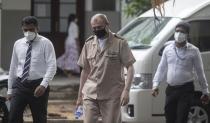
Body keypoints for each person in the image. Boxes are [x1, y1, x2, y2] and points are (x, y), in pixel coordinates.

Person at [75, 13, 136, 123]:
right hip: (91, 93)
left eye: (99, 27)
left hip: (112, 94)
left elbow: (130, 67)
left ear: (107, 25)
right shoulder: (89, 43)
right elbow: (85, 71)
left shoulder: (120, 43)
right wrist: (80, 96)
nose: (97, 30)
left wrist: (126, 91)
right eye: (94, 28)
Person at [152, 21, 210, 123]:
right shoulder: (168, 49)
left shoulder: (194, 51)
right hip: (171, 89)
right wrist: (155, 85)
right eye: (177, 31)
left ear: (187, 34)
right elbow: (161, 68)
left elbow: (200, 72)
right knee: (169, 116)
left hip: (186, 90)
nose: (179, 34)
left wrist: (205, 91)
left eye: (182, 32)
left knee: (182, 117)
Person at [7, 16, 57, 123]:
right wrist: (10, 90)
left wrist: (44, 85)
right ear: (22, 29)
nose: (28, 32)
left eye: (31, 29)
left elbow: (52, 66)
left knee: (39, 119)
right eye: (25, 30)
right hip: (20, 85)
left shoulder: (46, 43)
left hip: (38, 85)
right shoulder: (18, 44)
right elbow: (13, 67)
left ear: (37, 28)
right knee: (12, 118)